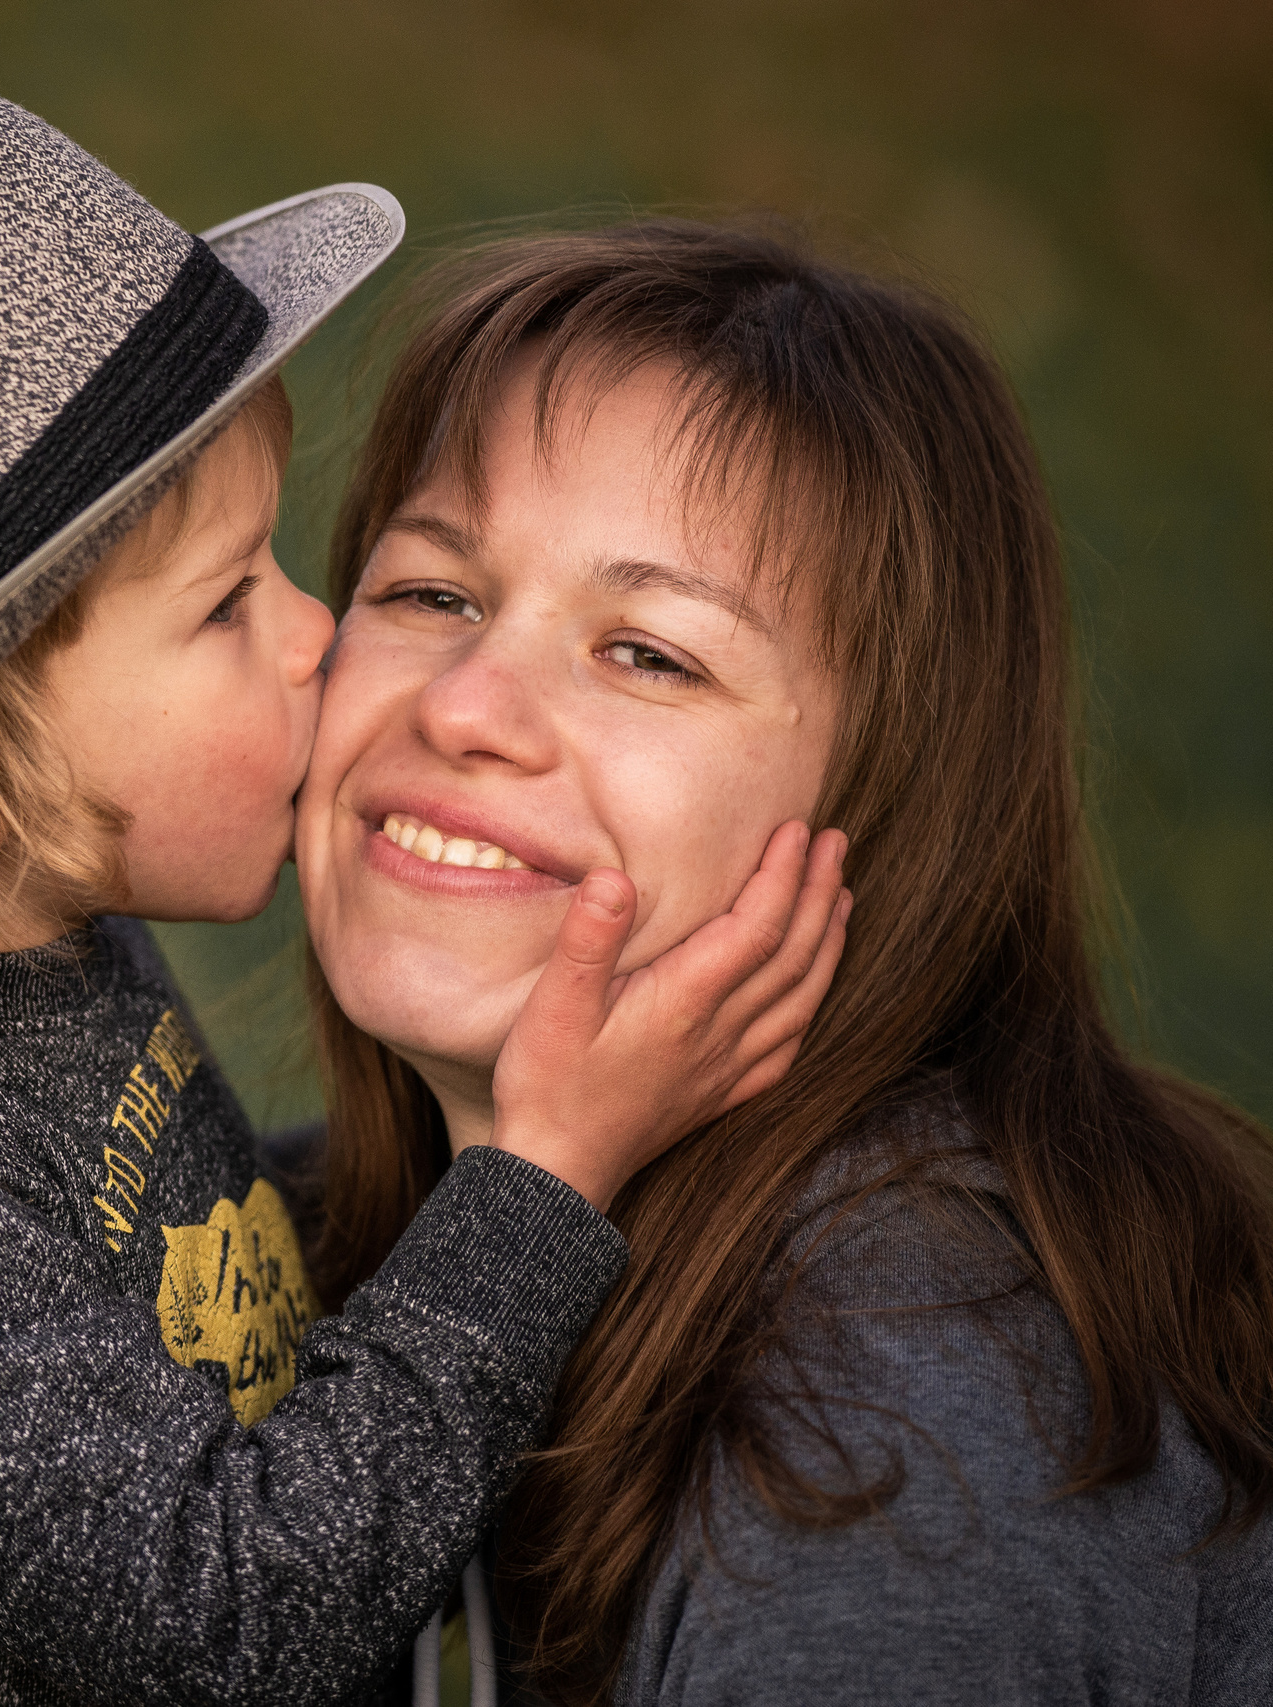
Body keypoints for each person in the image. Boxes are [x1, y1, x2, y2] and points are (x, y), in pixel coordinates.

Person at [0, 82, 847, 1704]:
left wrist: (560, 1117)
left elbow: (181, 1250)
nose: (316, 635)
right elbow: (245, 1620)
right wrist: (539, 1183)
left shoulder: (35, 947)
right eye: (223, 607)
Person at [294, 221, 1273, 1704]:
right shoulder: (269, 1244)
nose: (469, 705)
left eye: (651, 654)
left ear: (888, 808)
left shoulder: (901, 1436)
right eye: (434, 593)